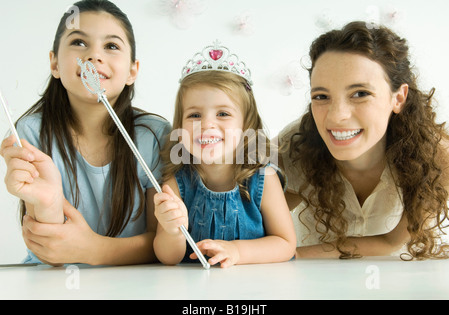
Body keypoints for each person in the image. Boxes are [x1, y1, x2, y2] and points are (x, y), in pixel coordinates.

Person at [0, 0, 171, 265]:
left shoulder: (154, 135)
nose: (94, 56)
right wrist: (48, 201)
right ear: (54, 63)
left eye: (111, 46)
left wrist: (92, 250)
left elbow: (164, 240)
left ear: (132, 71)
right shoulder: (31, 132)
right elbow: (49, 248)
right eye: (79, 43)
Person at [278, 21, 449, 260]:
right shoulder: (294, 146)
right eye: (322, 96)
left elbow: (391, 242)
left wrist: (292, 254)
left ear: (398, 98)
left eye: (360, 94)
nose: (337, 116)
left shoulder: (435, 154)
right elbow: (257, 223)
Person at [153, 41, 296, 268]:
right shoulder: (177, 182)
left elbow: (286, 243)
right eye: (194, 115)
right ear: (179, 129)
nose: (207, 124)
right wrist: (172, 232)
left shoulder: (263, 178)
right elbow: (167, 257)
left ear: (246, 125)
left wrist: (237, 251)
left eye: (222, 113)